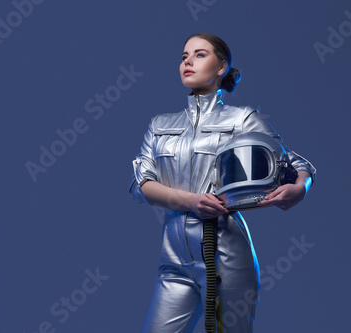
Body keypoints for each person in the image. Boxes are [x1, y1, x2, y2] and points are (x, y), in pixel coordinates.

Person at [129, 32, 316, 333]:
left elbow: (295, 164)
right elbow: (140, 185)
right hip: (174, 262)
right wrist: (191, 201)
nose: (188, 61)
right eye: (184, 56)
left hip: (226, 259)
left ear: (222, 67)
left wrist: (299, 188)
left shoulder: (242, 119)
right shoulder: (160, 125)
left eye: (200, 54)